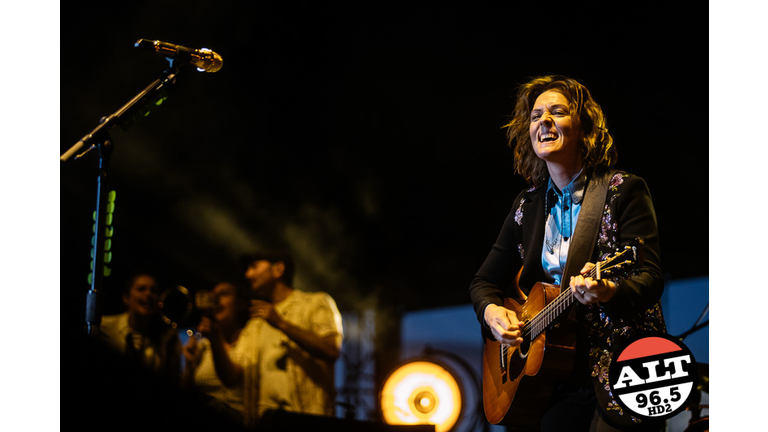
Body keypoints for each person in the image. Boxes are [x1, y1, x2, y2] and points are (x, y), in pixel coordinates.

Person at [469, 75, 666, 432]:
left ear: (583, 127)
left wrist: (609, 291)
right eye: (535, 116)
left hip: (625, 368)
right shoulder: (526, 205)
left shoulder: (623, 191)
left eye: (557, 112)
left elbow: (649, 279)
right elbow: (483, 282)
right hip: (556, 381)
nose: (543, 121)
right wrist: (492, 312)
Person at [198, 250, 344, 427]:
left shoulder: (315, 303)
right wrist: (215, 338)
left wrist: (281, 323)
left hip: (307, 422)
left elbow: (331, 350)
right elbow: (231, 378)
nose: (248, 274)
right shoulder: (256, 325)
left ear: (278, 269)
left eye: (254, 267)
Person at [182, 281, 251, 423]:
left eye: (224, 294)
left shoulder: (253, 340)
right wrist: (189, 366)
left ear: (241, 304)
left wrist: (215, 338)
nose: (216, 300)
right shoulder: (205, 345)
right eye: (213, 296)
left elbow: (231, 379)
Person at [99, 272, 182, 380]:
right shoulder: (104, 327)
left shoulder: (163, 342)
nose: (148, 294)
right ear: (126, 298)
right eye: (141, 289)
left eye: (153, 290)